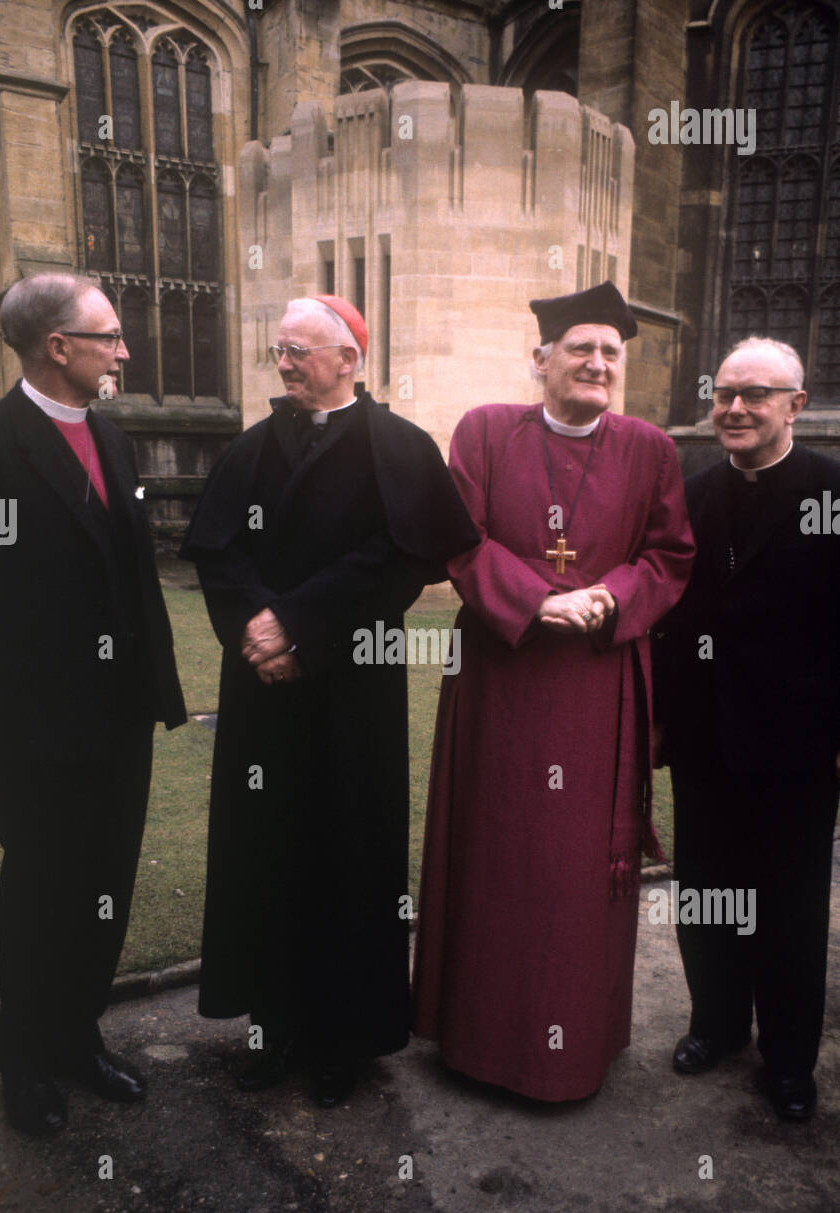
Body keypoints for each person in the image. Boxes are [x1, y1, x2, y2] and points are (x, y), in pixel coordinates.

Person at [181, 295, 477, 1107]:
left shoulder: (400, 448)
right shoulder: (250, 448)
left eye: (300, 351)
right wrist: (258, 635)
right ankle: (273, 1030)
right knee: (268, 851)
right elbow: (216, 551)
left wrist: (299, 626)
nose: (284, 364)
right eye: (279, 350)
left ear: (349, 358)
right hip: (264, 693)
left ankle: (344, 1039)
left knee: (349, 854)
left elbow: (404, 560)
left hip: (353, 688)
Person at [412, 282, 695, 1102]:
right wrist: (539, 598)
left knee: (576, 870)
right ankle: (479, 1045)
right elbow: (455, 539)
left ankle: (569, 1053)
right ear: (541, 360)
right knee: (497, 852)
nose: (599, 363)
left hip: (596, 681)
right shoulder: (486, 431)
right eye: (581, 348)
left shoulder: (652, 450)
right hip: (503, 679)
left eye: (611, 352)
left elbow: (671, 556)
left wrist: (608, 597)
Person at [0, 273, 186, 1135]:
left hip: (117, 718)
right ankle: (22, 1058)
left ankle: (75, 1036)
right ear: (57, 347)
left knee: (105, 882)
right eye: (108, 336)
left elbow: (133, 577)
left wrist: (156, 693)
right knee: (40, 891)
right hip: (32, 727)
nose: (124, 351)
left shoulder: (117, 440)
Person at [652, 337, 840, 1122]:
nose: (733, 408)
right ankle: (717, 1026)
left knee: (791, 907)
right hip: (704, 739)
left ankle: (789, 1060)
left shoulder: (833, 493)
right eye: (724, 393)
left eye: (755, 395)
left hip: (799, 746)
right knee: (706, 896)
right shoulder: (690, 495)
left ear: (795, 405)